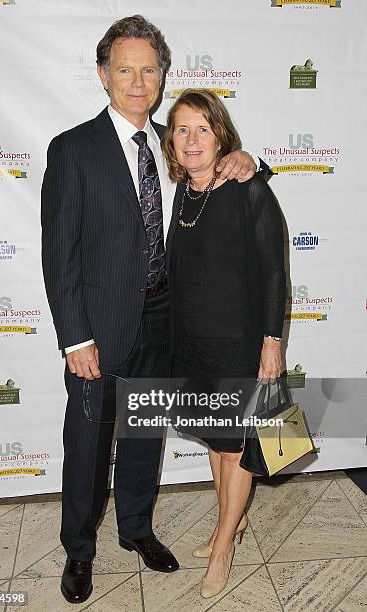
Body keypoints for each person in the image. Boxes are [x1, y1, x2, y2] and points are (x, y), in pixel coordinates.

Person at [41, 15, 262, 604]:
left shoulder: (177, 143)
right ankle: (79, 551)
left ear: (163, 76)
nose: (137, 81)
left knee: (143, 437)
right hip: (99, 324)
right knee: (88, 444)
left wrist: (247, 159)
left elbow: (230, 179)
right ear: (102, 75)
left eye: (148, 70)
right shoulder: (71, 150)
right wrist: (74, 337)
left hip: (165, 320)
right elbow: (59, 254)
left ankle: (136, 529)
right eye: (124, 70)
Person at [162, 89, 286, 599]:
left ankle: (223, 549)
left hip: (238, 342)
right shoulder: (183, 191)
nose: (192, 140)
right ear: (170, 140)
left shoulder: (248, 185)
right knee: (216, 442)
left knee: (236, 449)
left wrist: (272, 342)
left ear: (221, 135)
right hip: (191, 344)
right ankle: (225, 526)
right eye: (182, 129)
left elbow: (275, 271)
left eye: (203, 129)